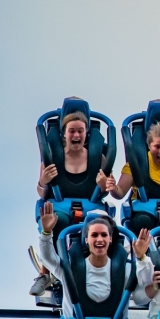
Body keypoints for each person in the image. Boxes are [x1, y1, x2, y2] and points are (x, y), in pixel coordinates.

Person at [31, 110, 113, 295]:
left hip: (91, 205)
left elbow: (108, 188)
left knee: (96, 227)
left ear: (86, 134)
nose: (76, 135)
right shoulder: (52, 156)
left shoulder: (97, 156)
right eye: (72, 131)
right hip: (59, 204)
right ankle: (46, 273)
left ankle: (97, 269)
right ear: (64, 134)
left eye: (80, 131)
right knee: (57, 221)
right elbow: (42, 192)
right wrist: (43, 181)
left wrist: (104, 185)